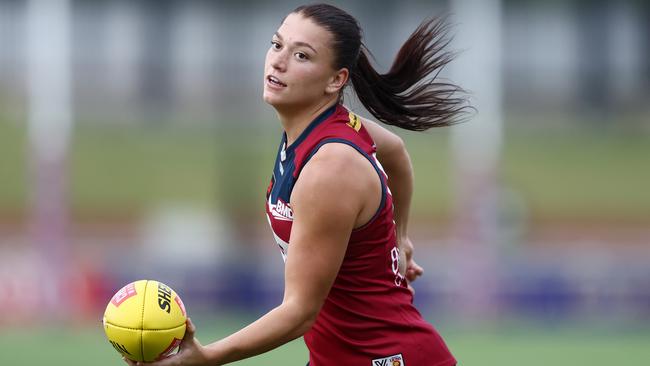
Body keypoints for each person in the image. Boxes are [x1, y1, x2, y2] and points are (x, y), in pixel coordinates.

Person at [126, 3, 470, 366]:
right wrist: (399, 238)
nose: (278, 61)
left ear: (335, 80)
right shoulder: (319, 129)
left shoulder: (330, 169)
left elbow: (299, 313)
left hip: (387, 358)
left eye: (301, 55)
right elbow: (397, 153)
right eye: (277, 45)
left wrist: (204, 357)